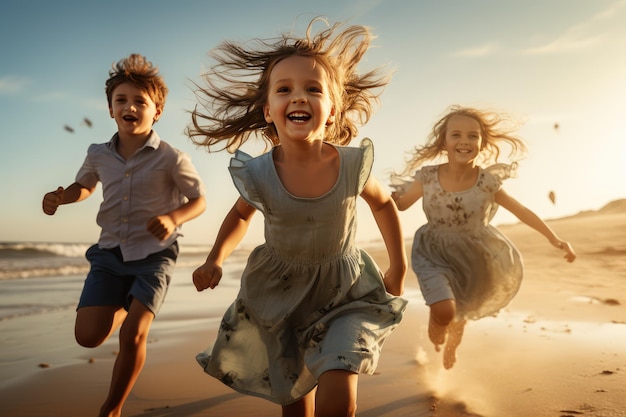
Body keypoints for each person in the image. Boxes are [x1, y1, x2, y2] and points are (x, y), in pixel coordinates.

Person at [187, 18, 407, 417]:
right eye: (284, 89)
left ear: (333, 107)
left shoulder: (352, 164)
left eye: (313, 89)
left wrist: (398, 263)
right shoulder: (260, 173)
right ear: (269, 110)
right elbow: (239, 217)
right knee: (294, 398)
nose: (299, 98)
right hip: (281, 296)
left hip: (346, 291)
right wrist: (215, 258)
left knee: (342, 368)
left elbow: (383, 204)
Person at [42, 53, 206, 417]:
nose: (130, 107)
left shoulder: (172, 158)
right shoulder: (98, 153)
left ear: (157, 111)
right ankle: (123, 305)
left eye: (140, 101)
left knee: (133, 334)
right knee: (87, 336)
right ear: (110, 109)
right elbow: (84, 185)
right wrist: (62, 197)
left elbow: (199, 200)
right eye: (121, 100)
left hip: (155, 255)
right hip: (109, 252)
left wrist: (173, 216)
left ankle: (112, 408)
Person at [390, 105, 576, 370]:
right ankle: (438, 318)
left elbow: (521, 211)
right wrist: (385, 195)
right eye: (456, 135)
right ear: (444, 141)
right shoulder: (428, 177)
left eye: (472, 136)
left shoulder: (487, 181)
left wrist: (555, 239)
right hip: (434, 251)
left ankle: (453, 344)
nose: (464, 141)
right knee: (446, 310)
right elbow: (401, 204)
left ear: (482, 142)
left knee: (461, 311)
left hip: (476, 255)